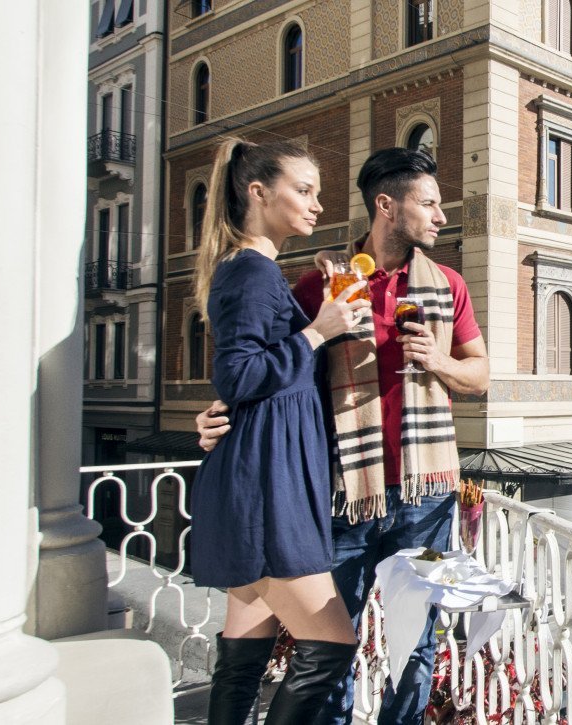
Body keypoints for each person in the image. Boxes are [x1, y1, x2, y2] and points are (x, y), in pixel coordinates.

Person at [198, 146, 488, 724]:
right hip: (341, 492)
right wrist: (220, 414)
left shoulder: (447, 284)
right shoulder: (320, 287)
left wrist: (440, 362)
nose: (440, 217)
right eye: (428, 203)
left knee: (417, 638)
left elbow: (479, 376)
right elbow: (270, 366)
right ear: (387, 205)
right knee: (336, 634)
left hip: (425, 494)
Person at [187, 137, 373, 725]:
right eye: (305, 190)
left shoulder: (260, 272)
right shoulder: (250, 273)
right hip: (267, 486)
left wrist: (323, 319)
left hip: (261, 474)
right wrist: (319, 331)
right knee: (332, 645)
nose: (317, 204)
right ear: (258, 192)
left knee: (243, 660)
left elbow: (257, 374)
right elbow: (239, 374)